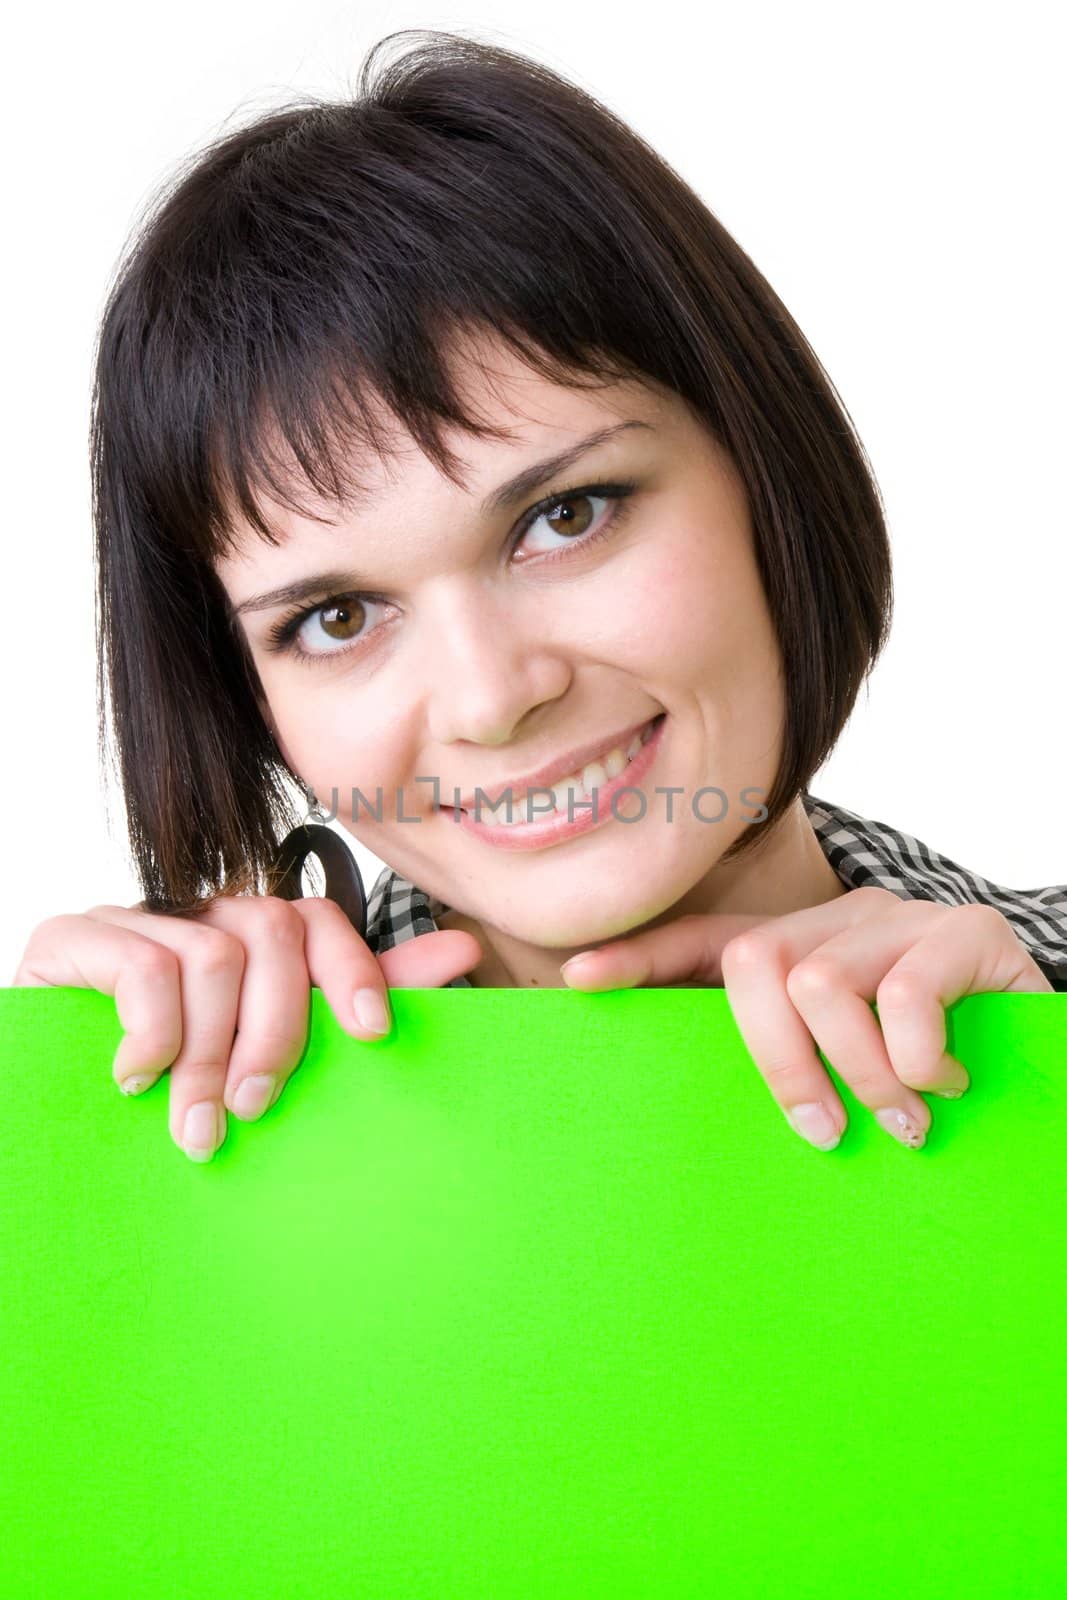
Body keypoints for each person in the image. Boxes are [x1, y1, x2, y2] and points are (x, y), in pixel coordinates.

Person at [12, 29, 1066, 1168]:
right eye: (335, 618)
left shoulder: (1038, 989)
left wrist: (1037, 1087)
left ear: (764, 474)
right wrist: (58, 1142)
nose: (490, 697)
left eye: (564, 516)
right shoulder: (170, 1121)